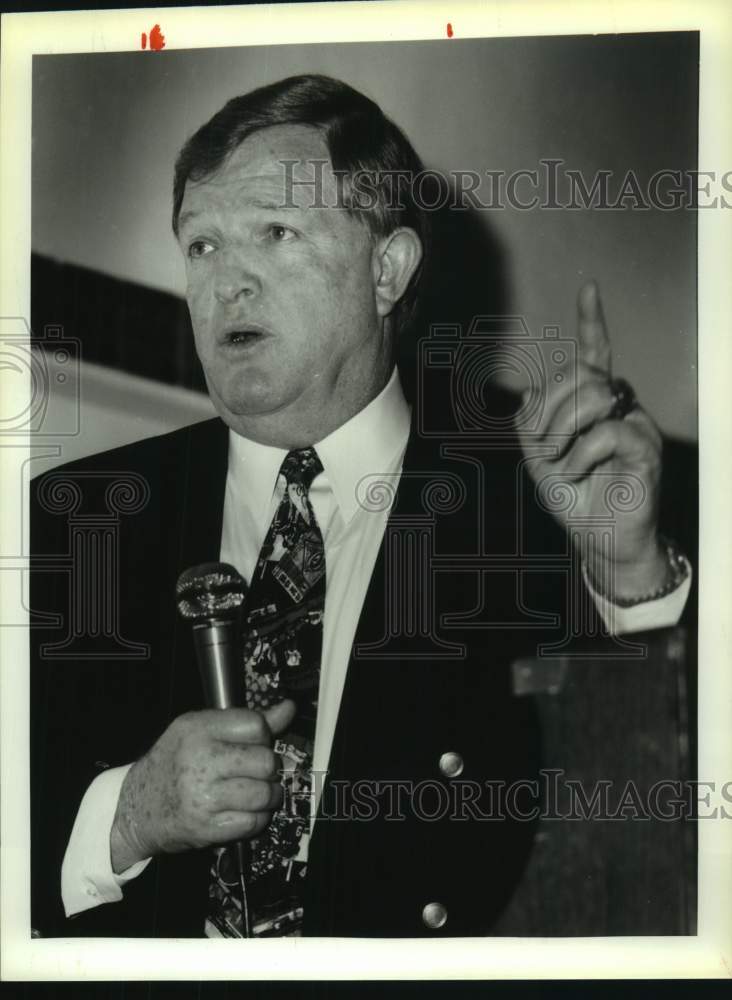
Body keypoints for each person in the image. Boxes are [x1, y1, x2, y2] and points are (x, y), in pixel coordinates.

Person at [30, 74, 693, 939]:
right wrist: (126, 817)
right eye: (202, 245)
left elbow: (655, 853)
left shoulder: (533, 514)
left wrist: (628, 573)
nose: (227, 284)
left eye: (275, 232)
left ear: (387, 270)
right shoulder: (75, 521)